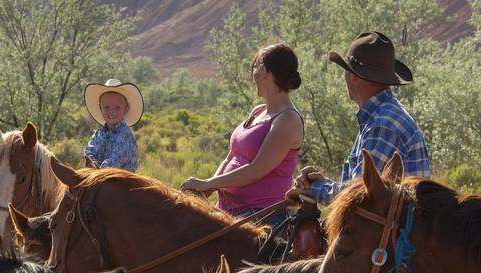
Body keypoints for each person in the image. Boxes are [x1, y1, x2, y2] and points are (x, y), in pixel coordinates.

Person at [287, 32, 430, 205]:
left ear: (354, 76)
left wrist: (313, 188)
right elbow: (358, 187)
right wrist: (323, 183)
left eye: (346, 71)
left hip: (396, 231)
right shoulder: (382, 116)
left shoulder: (383, 125)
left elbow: (358, 197)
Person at [181, 44, 304, 228]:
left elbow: (256, 169)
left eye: (253, 67)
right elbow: (231, 157)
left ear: (265, 71)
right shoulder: (258, 111)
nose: (252, 75)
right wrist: (209, 187)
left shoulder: (288, 119)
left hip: (260, 216)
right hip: (228, 210)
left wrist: (207, 183)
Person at [83, 78, 143, 172]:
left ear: (126, 108)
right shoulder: (99, 133)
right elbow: (89, 150)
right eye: (106, 107)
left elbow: (116, 160)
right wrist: (92, 163)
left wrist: (98, 170)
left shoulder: (125, 136)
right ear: (100, 108)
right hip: (99, 176)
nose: (112, 112)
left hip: (122, 181)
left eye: (117, 107)